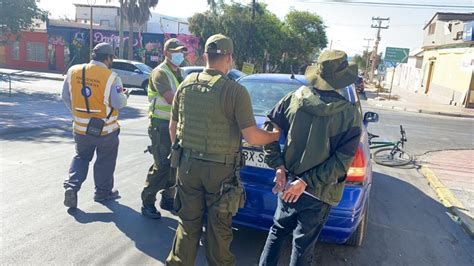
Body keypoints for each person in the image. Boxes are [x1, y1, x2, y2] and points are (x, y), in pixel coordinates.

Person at [166, 34, 280, 266]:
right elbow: (252, 136)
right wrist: (275, 135)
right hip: (220, 172)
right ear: (229, 58)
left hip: (187, 165)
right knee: (218, 229)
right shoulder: (234, 91)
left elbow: (173, 127)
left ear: (206, 56)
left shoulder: (185, 85)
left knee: (187, 224)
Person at [259, 50, 363, 266]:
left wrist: (278, 166)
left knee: (277, 233)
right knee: (303, 245)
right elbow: (342, 162)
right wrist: (305, 182)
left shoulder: (294, 99)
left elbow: (268, 129)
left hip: (288, 184)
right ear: (342, 80)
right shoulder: (349, 114)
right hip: (319, 192)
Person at [61, 42, 129, 208]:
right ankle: (102, 193)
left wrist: (78, 114)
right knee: (105, 161)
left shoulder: (73, 71)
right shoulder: (112, 77)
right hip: (106, 131)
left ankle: (72, 187)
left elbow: (65, 96)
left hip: (80, 129)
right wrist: (125, 95)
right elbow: (118, 103)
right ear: (108, 58)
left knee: (81, 157)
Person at [141, 38, 188, 219]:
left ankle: (167, 199)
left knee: (175, 164)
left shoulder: (180, 73)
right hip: (160, 125)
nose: (180, 55)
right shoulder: (160, 73)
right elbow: (171, 99)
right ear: (167, 53)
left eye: (182, 52)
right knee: (162, 165)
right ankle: (147, 202)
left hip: (176, 125)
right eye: (176, 52)